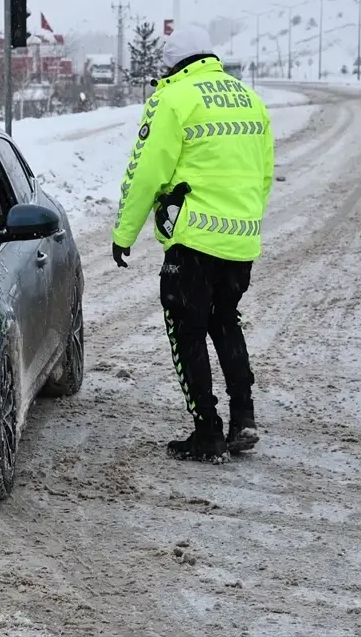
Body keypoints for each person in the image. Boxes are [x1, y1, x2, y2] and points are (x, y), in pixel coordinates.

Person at [109, 24, 274, 464]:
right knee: (226, 320)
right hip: (241, 241)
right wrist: (243, 221)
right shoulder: (249, 99)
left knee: (187, 331)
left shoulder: (173, 99)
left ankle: (208, 433)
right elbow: (264, 176)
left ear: (172, 65)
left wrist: (124, 234)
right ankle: (244, 418)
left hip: (194, 241)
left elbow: (145, 173)